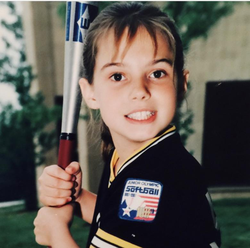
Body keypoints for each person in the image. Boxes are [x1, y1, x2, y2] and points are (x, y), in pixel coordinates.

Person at [34, 2, 221, 248]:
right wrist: (76, 197)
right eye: (118, 76)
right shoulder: (142, 160)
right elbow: (126, 221)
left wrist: (56, 234)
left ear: (180, 83)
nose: (139, 91)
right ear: (90, 93)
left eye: (157, 73)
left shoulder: (156, 177)